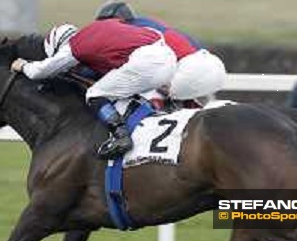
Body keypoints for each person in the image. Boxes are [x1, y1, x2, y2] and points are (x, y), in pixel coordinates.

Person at [10, 19, 177, 160]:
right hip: (168, 57)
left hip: (147, 61)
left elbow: (41, 71)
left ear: (59, 46)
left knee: (95, 94)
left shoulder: (74, 45)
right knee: (118, 92)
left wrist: (23, 65)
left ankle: (121, 136)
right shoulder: (100, 29)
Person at [95, 0, 226, 106]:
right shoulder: (147, 23)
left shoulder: (129, 31)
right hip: (213, 66)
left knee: (144, 92)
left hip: (190, 70)